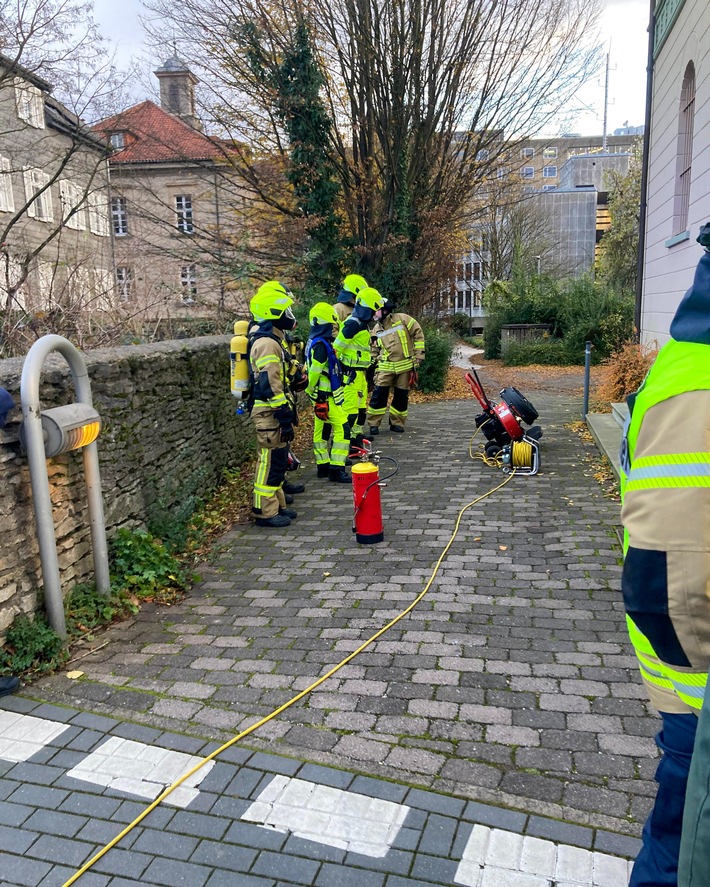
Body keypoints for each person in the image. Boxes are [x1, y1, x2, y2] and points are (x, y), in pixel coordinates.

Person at [619, 224, 710, 887]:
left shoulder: (684, 369)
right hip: (698, 703)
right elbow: (662, 581)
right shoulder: (696, 381)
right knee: (679, 856)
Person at [247, 282, 300, 528]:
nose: (290, 317)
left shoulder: (271, 339)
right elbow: (269, 384)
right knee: (268, 461)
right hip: (269, 412)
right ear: (273, 314)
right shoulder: (266, 343)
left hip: (272, 412)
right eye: (285, 312)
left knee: (277, 460)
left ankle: (276, 505)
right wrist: (282, 412)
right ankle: (264, 512)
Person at [333, 285, 384, 453]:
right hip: (350, 375)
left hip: (360, 374)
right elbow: (337, 349)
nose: (374, 314)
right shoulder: (353, 324)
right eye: (372, 310)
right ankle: (345, 446)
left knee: (360, 410)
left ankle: (355, 440)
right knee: (350, 412)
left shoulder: (361, 324)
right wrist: (341, 370)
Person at [305, 302, 351, 483]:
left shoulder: (315, 343)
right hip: (325, 396)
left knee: (321, 430)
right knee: (343, 429)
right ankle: (337, 469)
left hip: (320, 397)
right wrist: (312, 393)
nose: (333, 330)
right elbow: (315, 372)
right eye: (331, 326)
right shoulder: (322, 346)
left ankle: (322, 466)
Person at [366, 296, 425, 434]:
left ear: (385, 311)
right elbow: (373, 349)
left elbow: (418, 334)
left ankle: (397, 423)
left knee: (401, 396)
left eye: (377, 311)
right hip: (385, 368)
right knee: (379, 396)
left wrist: (418, 355)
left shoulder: (403, 319)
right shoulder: (375, 330)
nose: (374, 314)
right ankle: (373, 424)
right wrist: (372, 366)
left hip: (404, 367)